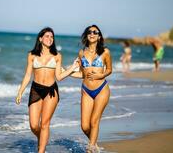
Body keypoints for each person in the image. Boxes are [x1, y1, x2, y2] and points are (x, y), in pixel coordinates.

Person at [15, 27, 79, 153]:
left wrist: (72, 67)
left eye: (52, 37)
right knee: (34, 125)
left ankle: (41, 150)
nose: (50, 39)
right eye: (47, 36)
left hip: (51, 91)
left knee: (45, 124)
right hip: (36, 90)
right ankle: (41, 138)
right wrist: (20, 92)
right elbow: (28, 75)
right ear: (40, 38)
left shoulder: (57, 56)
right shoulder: (32, 55)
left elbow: (59, 77)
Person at [71, 25, 112, 153]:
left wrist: (101, 75)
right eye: (89, 32)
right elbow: (82, 74)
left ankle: (91, 149)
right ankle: (94, 144)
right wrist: (67, 72)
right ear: (86, 35)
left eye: (95, 32)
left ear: (99, 36)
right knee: (84, 126)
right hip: (86, 91)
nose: (92, 34)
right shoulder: (81, 53)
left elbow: (110, 69)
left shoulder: (105, 52)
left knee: (94, 120)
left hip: (101, 89)